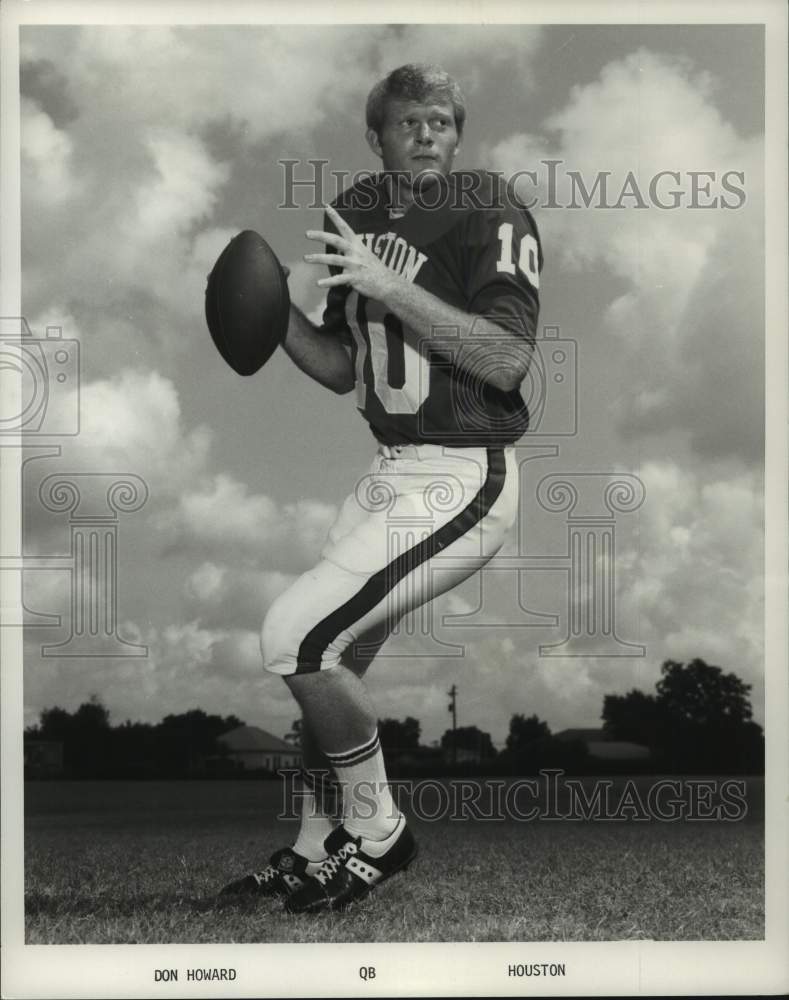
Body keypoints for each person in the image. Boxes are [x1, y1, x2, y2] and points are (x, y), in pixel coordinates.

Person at [221, 64, 542, 914]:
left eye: (442, 120)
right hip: (389, 472)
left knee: (295, 636)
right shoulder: (352, 215)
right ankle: (307, 849)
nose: (428, 134)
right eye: (409, 123)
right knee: (334, 663)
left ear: (457, 133)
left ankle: (378, 830)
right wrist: (273, 312)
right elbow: (341, 369)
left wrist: (387, 283)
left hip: (465, 467)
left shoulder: (489, 210)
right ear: (377, 136)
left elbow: (507, 361)